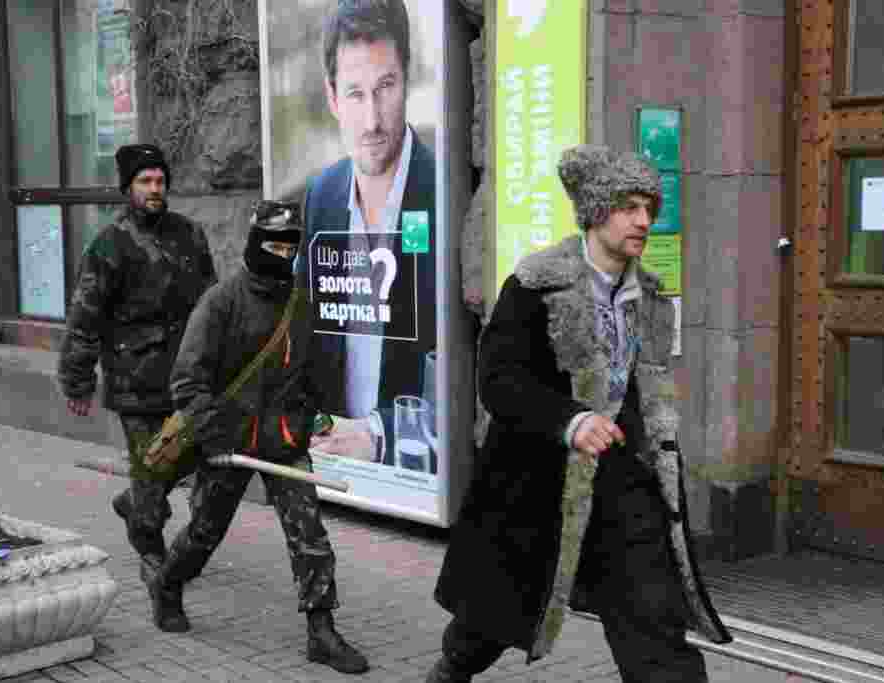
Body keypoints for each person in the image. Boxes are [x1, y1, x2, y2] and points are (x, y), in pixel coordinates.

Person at [426, 145, 731, 683]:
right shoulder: (536, 286)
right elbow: (498, 382)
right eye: (629, 206)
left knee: (653, 620)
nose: (643, 220)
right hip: (536, 480)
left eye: (649, 209)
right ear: (595, 211)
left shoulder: (653, 298)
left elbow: (646, 389)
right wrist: (569, 420)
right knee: (493, 617)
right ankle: (453, 668)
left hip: (622, 481)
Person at [148, 201, 369, 675]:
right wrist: (215, 437)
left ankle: (321, 630)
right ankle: (167, 582)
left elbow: (315, 371)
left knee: (310, 535)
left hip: (283, 443)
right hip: (227, 446)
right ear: (254, 244)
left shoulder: (300, 303)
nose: (284, 253)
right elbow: (188, 381)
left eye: (291, 246)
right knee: (205, 532)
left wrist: (307, 420)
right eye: (275, 244)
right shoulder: (221, 301)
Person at [57, 143, 216, 587]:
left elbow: (212, 305)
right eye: (145, 181)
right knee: (150, 471)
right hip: (135, 381)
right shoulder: (109, 247)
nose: (154, 189)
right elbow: (85, 318)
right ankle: (150, 549)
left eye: (160, 181)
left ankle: (133, 501)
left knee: (195, 456)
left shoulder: (191, 235)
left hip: (187, 379)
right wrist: (77, 381)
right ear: (127, 187)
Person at [299, 0, 437, 470]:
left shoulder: (445, 191)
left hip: (414, 472)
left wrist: (380, 435)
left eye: (385, 87)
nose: (373, 120)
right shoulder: (321, 195)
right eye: (356, 95)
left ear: (407, 80)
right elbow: (306, 325)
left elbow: (470, 361)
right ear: (333, 98)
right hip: (331, 463)